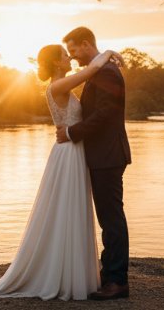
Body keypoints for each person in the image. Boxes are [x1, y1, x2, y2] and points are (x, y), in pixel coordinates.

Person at [0, 42, 123, 301]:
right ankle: (62, 273)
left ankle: (73, 270)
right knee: (67, 210)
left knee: (72, 210)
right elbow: (91, 71)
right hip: (68, 154)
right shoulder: (58, 86)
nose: (70, 58)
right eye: (66, 55)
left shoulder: (61, 84)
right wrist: (109, 53)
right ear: (57, 63)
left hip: (73, 150)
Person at [56, 26, 131, 300]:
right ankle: (110, 274)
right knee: (107, 217)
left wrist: (71, 133)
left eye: (74, 49)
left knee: (111, 219)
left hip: (108, 156)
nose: (72, 56)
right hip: (100, 155)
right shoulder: (98, 71)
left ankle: (117, 281)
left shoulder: (108, 72)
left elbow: (104, 115)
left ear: (86, 44)